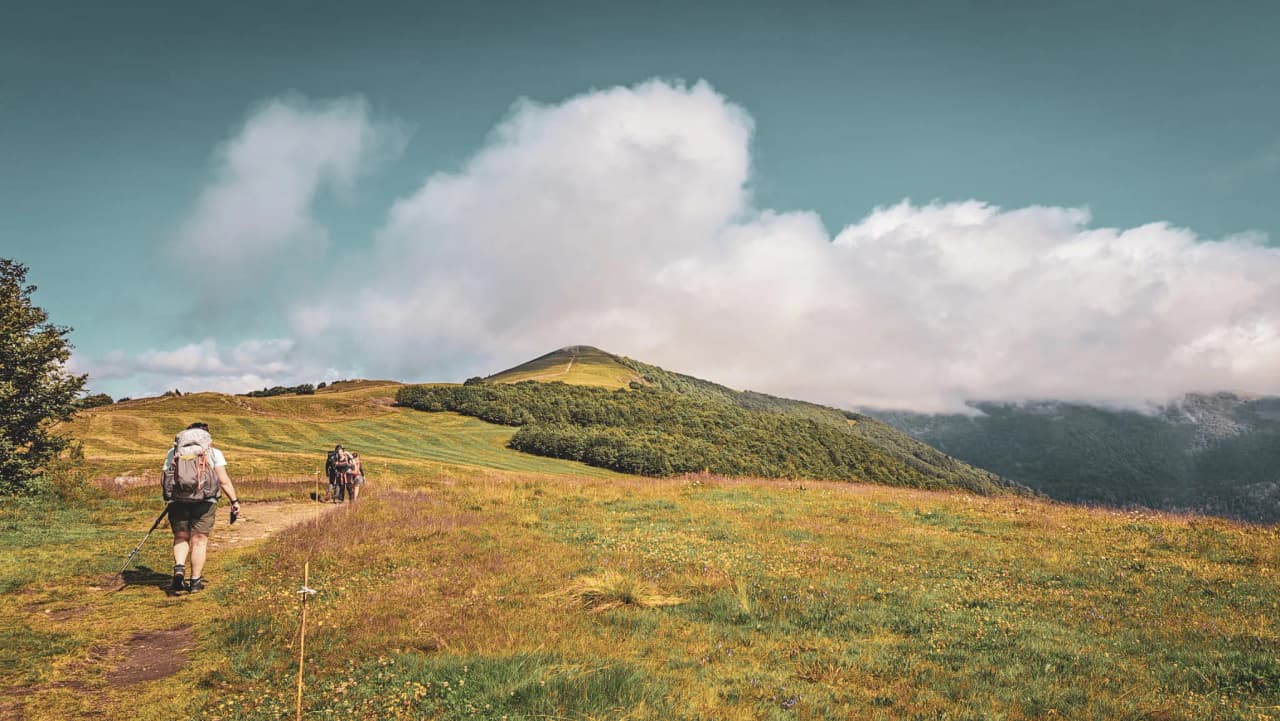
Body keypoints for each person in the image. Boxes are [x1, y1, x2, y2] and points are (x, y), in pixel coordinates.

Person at [162, 422, 239, 594]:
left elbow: (166, 478)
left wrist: (169, 498)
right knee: (199, 541)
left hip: (178, 501)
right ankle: (195, 581)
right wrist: (234, 501)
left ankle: (179, 568)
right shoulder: (213, 453)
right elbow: (223, 480)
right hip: (205, 501)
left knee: (181, 537)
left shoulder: (173, 452)